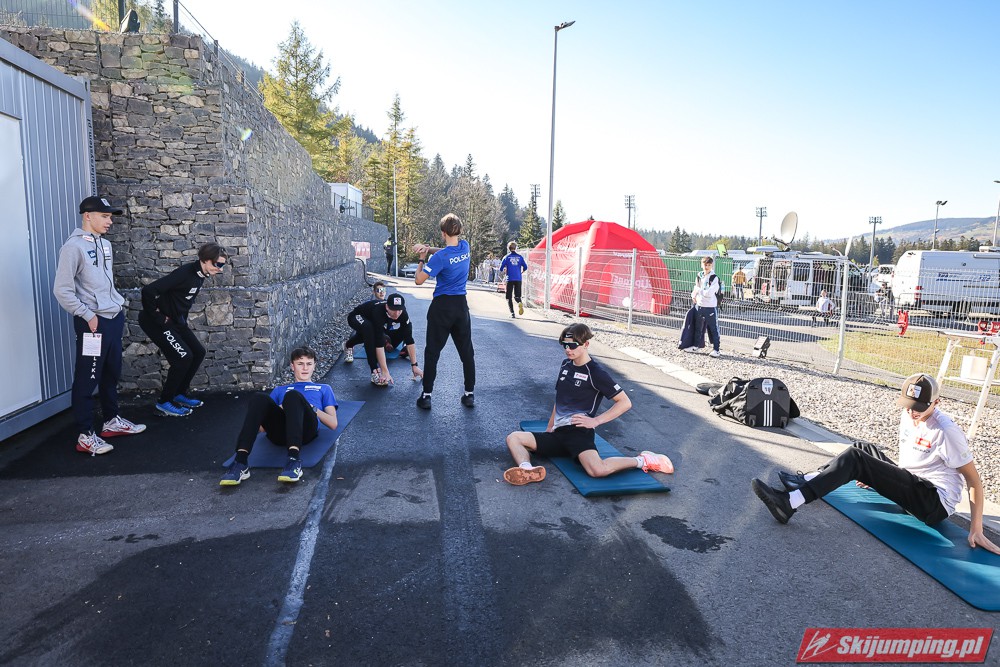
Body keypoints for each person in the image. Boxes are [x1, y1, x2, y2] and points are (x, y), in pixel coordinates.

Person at [750, 373, 1000, 555]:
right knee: (862, 449)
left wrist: (976, 528)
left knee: (857, 459)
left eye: (919, 408)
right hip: (913, 483)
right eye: (909, 406)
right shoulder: (908, 415)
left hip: (933, 502)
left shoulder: (946, 431)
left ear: (937, 403)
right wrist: (883, 478)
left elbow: (974, 480)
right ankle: (807, 480)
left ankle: (790, 503)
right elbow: (912, 463)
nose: (912, 413)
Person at [503, 324, 674, 485]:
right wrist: (550, 427)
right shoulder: (566, 365)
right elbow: (560, 399)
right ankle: (527, 469)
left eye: (572, 345)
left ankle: (644, 460)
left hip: (578, 433)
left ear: (586, 344)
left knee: (597, 470)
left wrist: (596, 421)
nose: (568, 349)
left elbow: (625, 402)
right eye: (565, 345)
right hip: (558, 433)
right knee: (514, 438)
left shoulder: (596, 373)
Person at [53, 195, 146, 455]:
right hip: (92, 323)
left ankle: (111, 421)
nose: (109, 221)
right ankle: (85, 435)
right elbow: (62, 290)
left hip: (112, 317)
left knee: (111, 373)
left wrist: (117, 306)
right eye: (105, 216)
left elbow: (105, 282)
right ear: (87, 216)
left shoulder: (105, 244)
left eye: (110, 217)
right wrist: (87, 315)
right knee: (87, 377)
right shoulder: (72, 247)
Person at [220, 346, 338, 486]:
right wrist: (282, 407)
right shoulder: (280, 390)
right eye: (300, 364)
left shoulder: (324, 388)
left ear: (314, 366)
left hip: (305, 431)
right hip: (279, 433)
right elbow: (262, 429)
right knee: (259, 397)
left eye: (309, 364)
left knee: (293, 396)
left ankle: (293, 461)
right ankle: (240, 462)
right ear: (292, 366)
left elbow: (333, 423)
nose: (305, 368)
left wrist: (311, 407)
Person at [138, 242, 227, 417]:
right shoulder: (185, 273)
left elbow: (181, 302)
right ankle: (164, 402)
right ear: (205, 260)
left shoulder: (200, 275)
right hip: (155, 322)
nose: (220, 269)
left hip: (175, 322)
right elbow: (148, 291)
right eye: (218, 264)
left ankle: (179, 393)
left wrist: (181, 322)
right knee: (183, 357)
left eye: (222, 265)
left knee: (198, 352)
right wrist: (158, 317)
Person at [413, 213, 475, 410]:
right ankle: (469, 394)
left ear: (443, 233)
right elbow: (449, 251)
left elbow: (418, 280)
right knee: (467, 352)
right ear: (459, 231)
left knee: (432, 352)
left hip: (442, 307)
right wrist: (429, 248)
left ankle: (426, 396)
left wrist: (422, 258)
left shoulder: (439, 258)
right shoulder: (465, 247)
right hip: (461, 306)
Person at [343, 293, 423, 384]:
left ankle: (349, 344)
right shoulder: (378, 312)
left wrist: (414, 366)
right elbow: (379, 344)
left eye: (399, 310)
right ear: (387, 307)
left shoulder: (403, 314)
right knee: (369, 331)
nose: (397, 313)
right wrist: (385, 371)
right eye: (394, 309)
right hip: (356, 316)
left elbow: (409, 340)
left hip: (373, 322)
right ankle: (374, 371)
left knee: (404, 331)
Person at [683, 256, 722, 358]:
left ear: (711, 265)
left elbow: (708, 293)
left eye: (709, 265)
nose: (706, 267)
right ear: (701, 265)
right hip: (699, 305)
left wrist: (698, 290)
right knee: (698, 328)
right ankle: (696, 346)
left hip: (710, 307)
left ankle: (716, 350)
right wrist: (693, 295)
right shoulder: (699, 275)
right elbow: (695, 288)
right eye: (705, 264)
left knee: (713, 328)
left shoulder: (714, 278)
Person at [499, 240, 528, 318]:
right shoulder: (520, 257)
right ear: (516, 248)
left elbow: (501, 268)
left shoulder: (506, 257)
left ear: (508, 248)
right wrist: (521, 272)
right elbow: (525, 267)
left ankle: (512, 313)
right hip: (518, 278)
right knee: (517, 296)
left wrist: (504, 269)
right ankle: (519, 302)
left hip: (510, 278)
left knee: (509, 297)